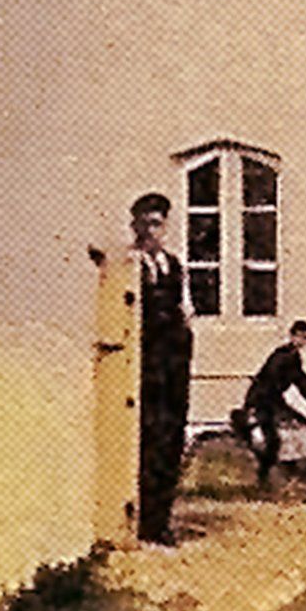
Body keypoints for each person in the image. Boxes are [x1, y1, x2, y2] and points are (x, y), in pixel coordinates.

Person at [130, 192, 193, 545]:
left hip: (173, 367)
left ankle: (161, 521)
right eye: (148, 223)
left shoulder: (174, 266)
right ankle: (141, 522)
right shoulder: (129, 266)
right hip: (145, 367)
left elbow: (186, 314)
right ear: (136, 225)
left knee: (171, 440)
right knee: (147, 440)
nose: (154, 231)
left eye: (159, 224)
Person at [233, 319, 306, 489]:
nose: (302, 342)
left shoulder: (293, 357)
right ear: (291, 336)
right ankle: (263, 480)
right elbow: (274, 387)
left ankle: (280, 476)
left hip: (271, 400)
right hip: (262, 401)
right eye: (300, 337)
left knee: (287, 436)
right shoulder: (282, 358)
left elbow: (301, 380)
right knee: (273, 442)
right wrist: (300, 412)